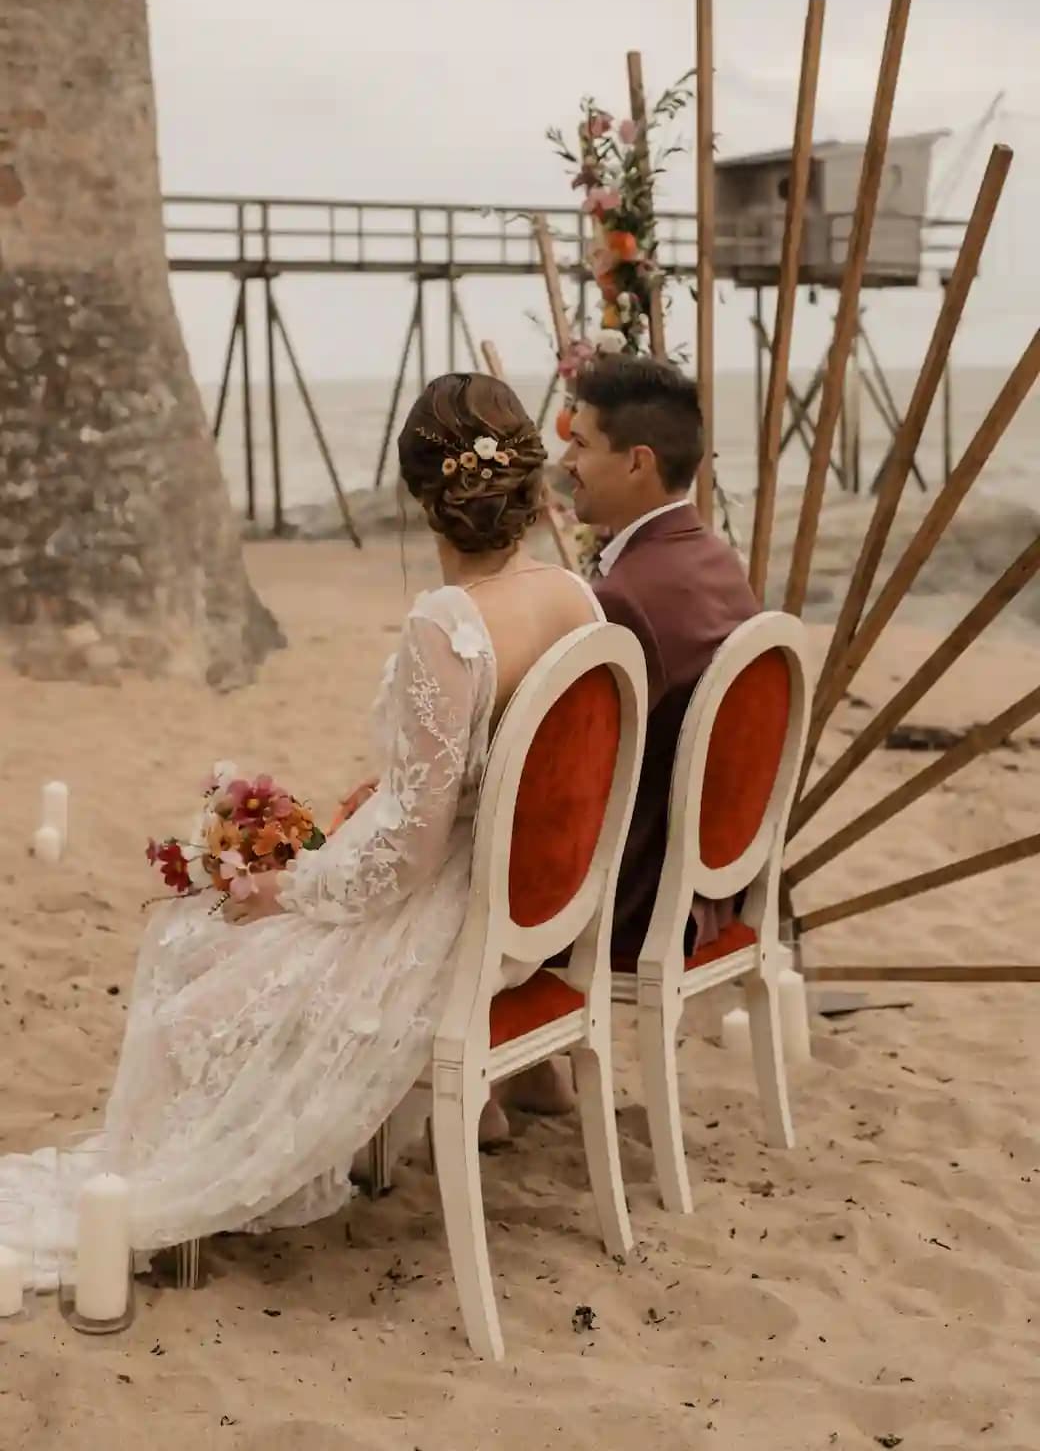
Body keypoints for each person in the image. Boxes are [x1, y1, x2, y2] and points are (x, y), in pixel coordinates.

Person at [0, 372, 603, 1276]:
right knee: (227, 931)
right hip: (530, 909)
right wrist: (389, 798)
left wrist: (287, 884)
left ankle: (177, 1195)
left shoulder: (448, 622)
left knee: (189, 943)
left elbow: (409, 852)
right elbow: (498, 771)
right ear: (523, 484)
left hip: (451, 916)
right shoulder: (575, 599)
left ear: (419, 495)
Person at [562, 353, 759, 965]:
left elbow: (574, 771)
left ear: (636, 461)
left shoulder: (624, 597)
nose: (567, 463)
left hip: (635, 907)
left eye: (582, 444)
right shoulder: (718, 562)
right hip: (713, 890)